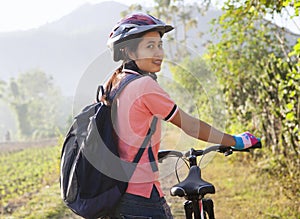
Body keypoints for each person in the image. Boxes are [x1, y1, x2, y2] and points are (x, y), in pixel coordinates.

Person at [104, 13, 260, 219]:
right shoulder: (144, 85)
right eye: (150, 46)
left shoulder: (115, 83)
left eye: (160, 45)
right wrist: (236, 141)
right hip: (141, 197)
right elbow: (190, 126)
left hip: (117, 194)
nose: (159, 52)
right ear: (129, 51)